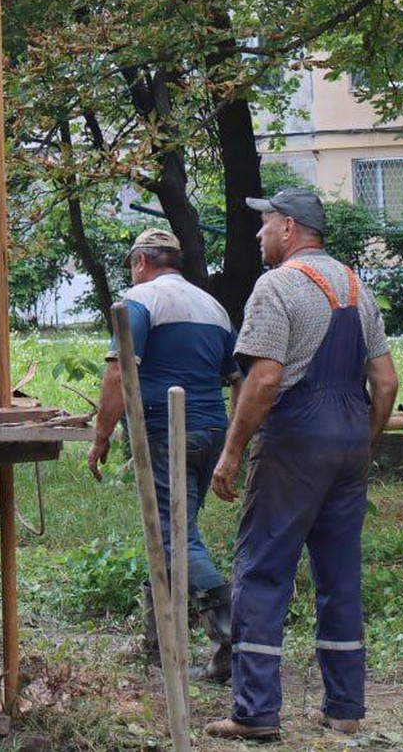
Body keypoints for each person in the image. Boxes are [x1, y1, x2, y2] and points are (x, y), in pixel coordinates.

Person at [204, 187, 398, 742]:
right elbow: (384, 382)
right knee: (338, 575)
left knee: (262, 571)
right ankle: (344, 708)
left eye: (264, 224)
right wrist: (363, 441)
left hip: (294, 442)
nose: (259, 234)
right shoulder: (358, 289)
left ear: (289, 229)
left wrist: (233, 451)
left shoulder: (277, 286)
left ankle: (256, 711)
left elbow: (263, 380)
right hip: (348, 443)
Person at [88, 226, 241, 677]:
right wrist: (233, 440)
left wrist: (100, 437)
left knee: (174, 535)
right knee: (171, 534)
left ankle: (237, 640)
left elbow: (117, 374)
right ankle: (157, 646)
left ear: (141, 262)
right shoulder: (213, 307)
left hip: (167, 432)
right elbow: (238, 378)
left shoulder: (141, 301)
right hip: (211, 432)